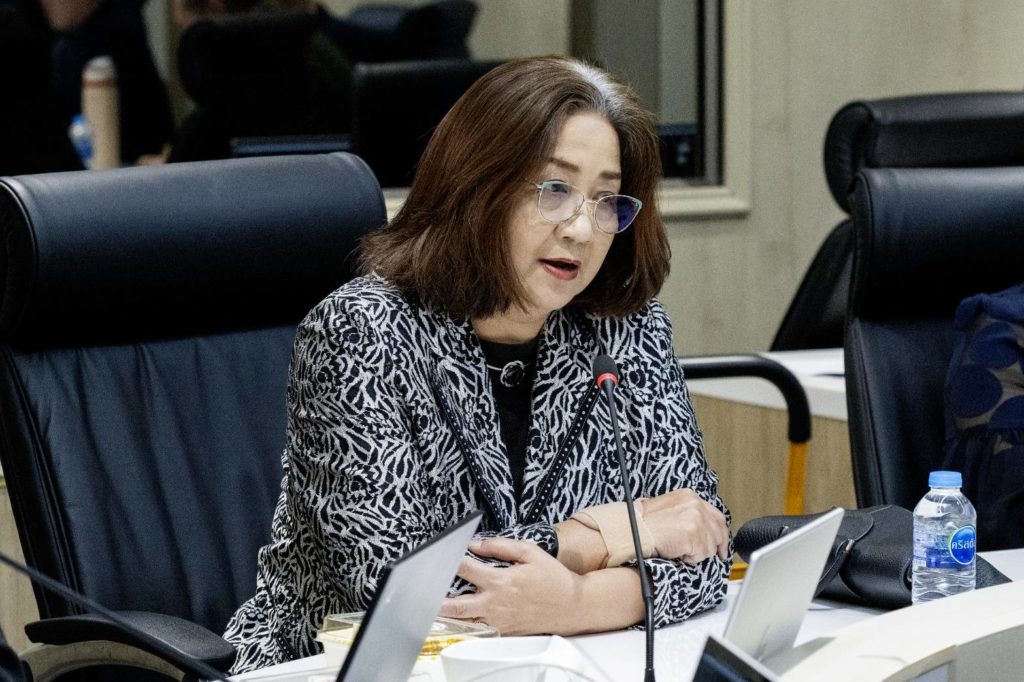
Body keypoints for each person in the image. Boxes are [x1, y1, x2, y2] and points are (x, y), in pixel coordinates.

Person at [223, 56, 732, 673]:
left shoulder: (626, 327)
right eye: (555, 190)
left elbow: (706, 546)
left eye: (606, 200)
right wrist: (609, 536)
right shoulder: (363, 331)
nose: (581, 229)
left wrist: (574, 602)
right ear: (478, 186)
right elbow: (396, 592)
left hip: (549, 664)